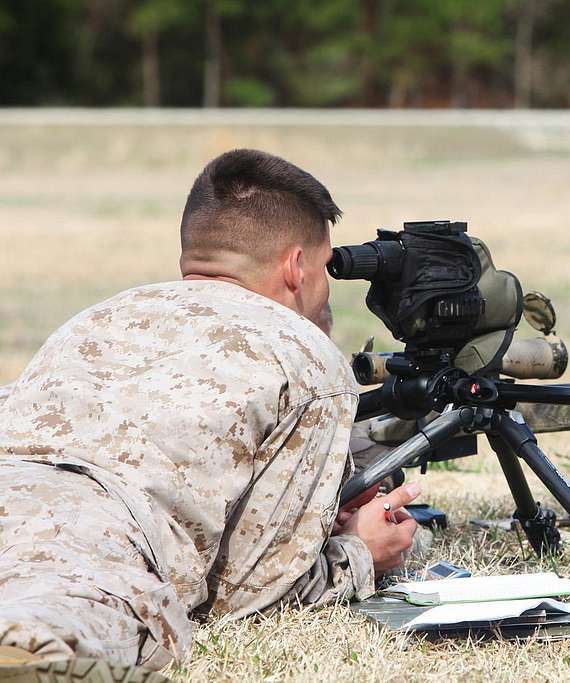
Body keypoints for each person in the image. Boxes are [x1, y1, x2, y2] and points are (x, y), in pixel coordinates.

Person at [0, 149, 420, 678]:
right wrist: (361, 552)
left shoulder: (94, 316)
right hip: (101, 546)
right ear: (296, 267)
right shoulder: (302, 352)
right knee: (46, 637)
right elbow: (248, 592)